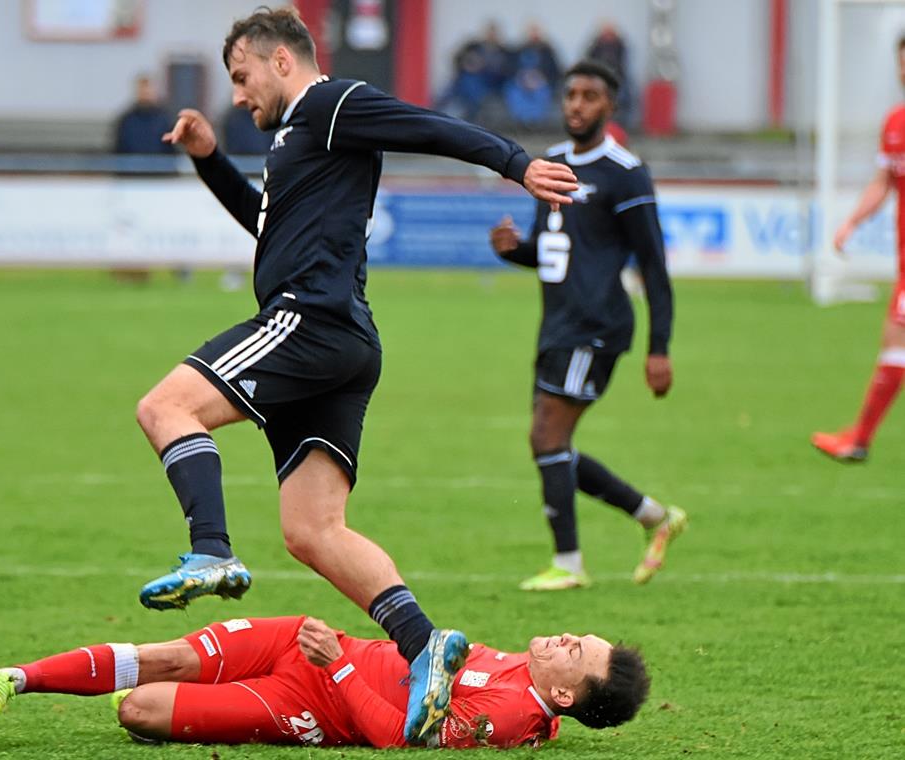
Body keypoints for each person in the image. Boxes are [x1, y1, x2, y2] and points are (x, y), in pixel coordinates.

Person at [132, 6, 578, 744]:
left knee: (165, 407)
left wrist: (515, 162)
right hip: (342, 342)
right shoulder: (298, 137)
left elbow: (428, 125)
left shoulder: (330, 104)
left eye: (242, 78)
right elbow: (269, 226)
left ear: (282, 60)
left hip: (308, 321)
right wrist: (211, 158)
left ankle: (210, 549)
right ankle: (424, 642)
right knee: (313, 530)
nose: (238, 96)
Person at [489, 60, 687, 592]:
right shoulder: (549, 163)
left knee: (546, 436)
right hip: (555, 325)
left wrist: (659, 347)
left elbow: (653, 265)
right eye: (571, 94)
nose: (577, 104)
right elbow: (555, 253)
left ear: (609, 107)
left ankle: (569, 564)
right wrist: (516, 252)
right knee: (552, 446)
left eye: (589, 96)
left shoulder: (624, 172)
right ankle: (654, 517)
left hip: (597, 328)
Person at [0, 614, 650, 749]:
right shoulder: (529, 686)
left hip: (312, 698)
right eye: (578, 635)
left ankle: (141, 697)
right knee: (165, 655)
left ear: (563, 694)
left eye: (575, 651)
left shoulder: (507, 716)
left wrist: (340, 667)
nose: (566, 637)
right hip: (311, 641)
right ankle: (13, 679)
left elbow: (395, 739)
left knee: (138, 711)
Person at [812, 37, 905, 463]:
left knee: (896, 340)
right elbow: (885, 181)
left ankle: (860, 438)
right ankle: (860, 437)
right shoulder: (896, 122)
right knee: (895, 341)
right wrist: (852, 222)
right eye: (901, 64)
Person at [435, 21, 512, 123]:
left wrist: (485, 67)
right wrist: (467, 64)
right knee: (458, 84)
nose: (491, 36)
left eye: (493, 33)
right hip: (468, 78)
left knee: (469, 84)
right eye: (489, 33)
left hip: (491, 83)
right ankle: (439, 110)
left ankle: (465, 112)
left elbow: (507, 71)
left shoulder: (504, 51)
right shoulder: (473, 46)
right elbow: (456, 58)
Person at [503, 22, 562, 130]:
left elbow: (555, 71)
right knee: (514, 93)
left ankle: (535, 123)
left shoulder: (548, 51)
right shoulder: (518, 50)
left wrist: (541, 78)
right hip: (519, 84)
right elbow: (509, 68)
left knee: (542, 94)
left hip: (541, 83)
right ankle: (521, 122)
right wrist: (521, 78)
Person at [112, 74, 176, 156]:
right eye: (142, 90)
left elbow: (172, 149)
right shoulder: (126, 120)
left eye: (148, 90)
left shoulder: (166, 119)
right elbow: (118, 149)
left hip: (160, 167)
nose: (146, 93)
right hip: (131, 166)